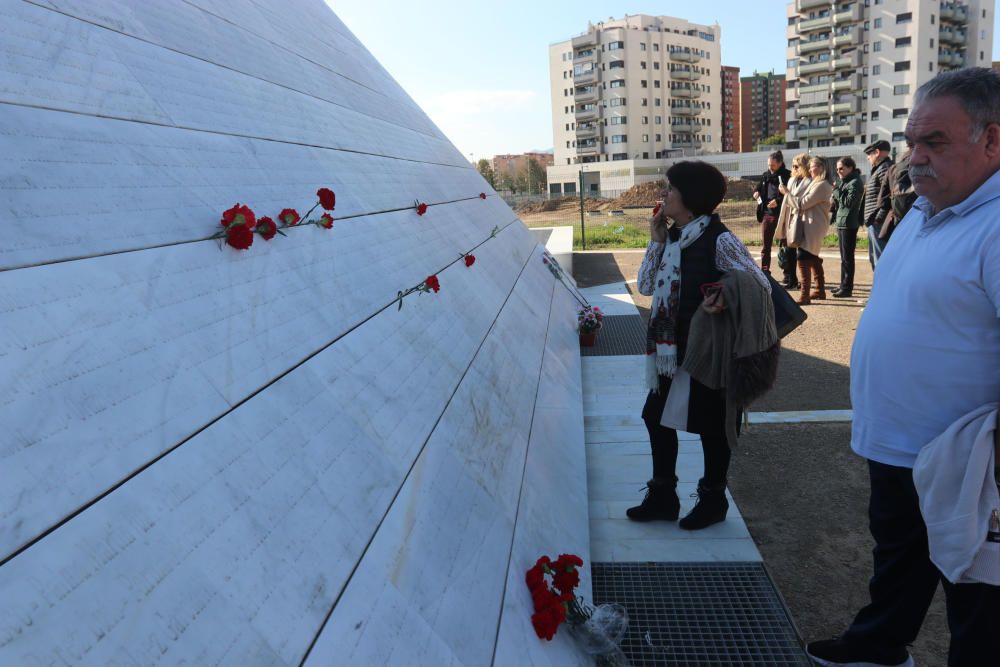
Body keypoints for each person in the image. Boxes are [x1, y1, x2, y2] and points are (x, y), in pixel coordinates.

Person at [806, 67, 1000, 667]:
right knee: (898, 554)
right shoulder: (923, 210)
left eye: (933, 143)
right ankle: (879, 645)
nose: (913, 158)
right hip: (898, 444)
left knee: (980, 594)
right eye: (911, 141)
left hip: (970, 461)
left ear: (992, 141)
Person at [631, 161, 770, 530]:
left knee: (712, 426)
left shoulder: (720, 239)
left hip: (708, 351)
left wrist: (724, 292)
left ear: (689, 197)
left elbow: (760, 285)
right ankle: (663, 495)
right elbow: (645, 286)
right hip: (668, 349)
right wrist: (655, 239)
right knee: (655, 417)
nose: (663, 195)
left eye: (669, 189)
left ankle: (713, 499)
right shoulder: (672, 235)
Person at [780, 156, 834, 305]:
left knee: (803, 257)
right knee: (812, 256)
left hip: (814, 225)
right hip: (812, 224)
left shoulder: (821, 185)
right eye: (809, 167)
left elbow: (802, 203)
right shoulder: (818, 183)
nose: (810, 169)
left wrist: (787, 194)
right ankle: (820, 290)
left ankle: (805, 295)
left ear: (822, 168)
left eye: (813, 166)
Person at [774, 152, 812, 290]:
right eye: (793, 166)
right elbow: (787, 201)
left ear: (804, 167)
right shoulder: (792, 180)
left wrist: (786, 193)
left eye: (796, 166)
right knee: (789, 251)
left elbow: (801, 202)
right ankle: (791, 279)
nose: (793, 168)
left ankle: (805, 283)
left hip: (802, 219)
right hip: (789, 217)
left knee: (802, 253)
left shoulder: (810, 181)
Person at [829, 156, 864, 298]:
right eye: (837, 169)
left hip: (849, 223)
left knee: (848, 258)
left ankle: (847, 288)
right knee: (844, 258)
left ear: (850, 167)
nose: (839, 171)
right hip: (843, 222)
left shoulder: (855, 182)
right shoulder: (846, 181)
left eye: (841, 168)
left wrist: (836, 191)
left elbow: (848, 202)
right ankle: (843, 285)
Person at [752, 151, 791, 275]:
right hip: (767, 214)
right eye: (769, 165)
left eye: (773, 165)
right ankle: (765, 271)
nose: (770, 168)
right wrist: (756, 193)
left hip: (782, 214)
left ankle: (788, 273)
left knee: (785, 244)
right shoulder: (765, 176)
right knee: (765, 245)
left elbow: (790, 195)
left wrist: (778, 201)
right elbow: (757, 189)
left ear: (780, 163)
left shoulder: (787, 175)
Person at [875, 148, 918, 247]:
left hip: (898, 219)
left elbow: (882, 199)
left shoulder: (894, 168)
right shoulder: (927, 165)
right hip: (920, 218)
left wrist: (880, 216)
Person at [861, 139, 894, 270]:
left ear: (877, 152)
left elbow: (889, 196)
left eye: (869, 154)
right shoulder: (880, 169)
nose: (868, 158)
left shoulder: (885, 168)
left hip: (879, 222)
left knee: (880, 261)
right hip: (875, 221)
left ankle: (884, 289)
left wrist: (878, 218)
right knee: (875, 259)